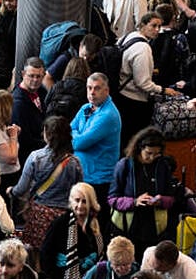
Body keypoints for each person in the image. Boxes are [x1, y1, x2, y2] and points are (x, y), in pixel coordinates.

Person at [13, 116, 84, 244]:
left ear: (47, 134)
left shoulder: (36, 157)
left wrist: (11, 191)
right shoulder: (75, 163)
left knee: (35, 252)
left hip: (39, 215)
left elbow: (21, 189)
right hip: (64, 216)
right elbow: (79, 191)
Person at [40, 183, 105, 279]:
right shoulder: (61, 223)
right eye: (77, 200)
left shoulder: (96, 224)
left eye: (84, 201)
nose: (80, 205)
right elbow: (46, 255)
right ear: (71, 201)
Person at [108, 128, 180, 250]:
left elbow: (172, 198)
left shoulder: (163, 166)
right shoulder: (124, 165)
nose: (152, 158)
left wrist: (160, 200)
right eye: (148, 153)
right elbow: (112, 199)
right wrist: (134, 202)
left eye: (156, 154)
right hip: (128, 227)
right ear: (139, 149)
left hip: (154, 228)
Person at [118, 12, 180, 141]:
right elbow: (143, 83)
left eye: (159, 26)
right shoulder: (143, 48)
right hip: (134, 100)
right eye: (153, 26)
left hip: (121, 93)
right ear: (143, 25)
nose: (157, 30)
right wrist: (163, 90)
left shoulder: (129, 36)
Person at [72, 73, 122, 226]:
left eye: (97, 88)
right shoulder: (85, 108)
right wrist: (76, 134)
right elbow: (69, 129)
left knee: (95, 225)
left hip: (99, 180)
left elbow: (79, 143)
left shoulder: (108, 115)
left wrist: (75, 135)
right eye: (89, 88)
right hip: (84, 175)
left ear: (106, 91)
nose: (92, 92)